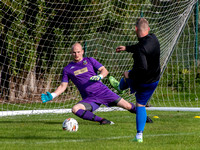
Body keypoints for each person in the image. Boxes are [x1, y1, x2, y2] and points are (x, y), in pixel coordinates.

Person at [41, 42, 152, 125]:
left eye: (78, 52)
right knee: (75, 109)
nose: (76, 54)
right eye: (74, 52)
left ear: (82, 52)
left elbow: (105, 71)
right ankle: (102, 120)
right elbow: (63, 86)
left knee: (127, 106)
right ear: (71, 53)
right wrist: (53, 95)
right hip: (90, 99)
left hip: (103, 92)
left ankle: (143, 117)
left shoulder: (90, 60)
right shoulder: (68, 69)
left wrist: (99, 76)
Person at [109, 18, 160, 142]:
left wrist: (129, 76)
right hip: (155, 79)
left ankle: (121, 87)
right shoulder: (154, 38)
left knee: (129, 76)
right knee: (141, 103)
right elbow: (140, 46)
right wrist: (126, 48)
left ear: (136, 29)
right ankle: (139, 136)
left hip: (142, 81)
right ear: (148, 29)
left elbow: (142, 67)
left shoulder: (140, 50)